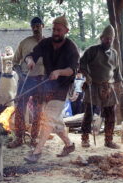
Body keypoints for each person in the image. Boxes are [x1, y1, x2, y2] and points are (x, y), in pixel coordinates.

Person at [23, 15, 79, 163]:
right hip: (48, 85)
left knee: (48, 117)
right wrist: (30, 61)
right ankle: (69, 145)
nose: (56, 32)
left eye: (59, 30)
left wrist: (59, 72)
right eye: (54, 29)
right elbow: (31, 55)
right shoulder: (46, 43)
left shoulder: (71, 47)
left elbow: (73, 70)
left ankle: (37, 152)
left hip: (63, 87)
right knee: (55, 119)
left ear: (66, 31)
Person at [80, 24, 123, 149]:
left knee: (111, 115)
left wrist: (119, 82)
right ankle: (85, 139)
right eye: (106, 38)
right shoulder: (92, 50)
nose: (108, 40)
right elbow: (81, 64)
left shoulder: (114, 53)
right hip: (93, 85)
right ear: (101, 37)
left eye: (111, 39)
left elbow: (116, 71)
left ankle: (108, 140)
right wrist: (86, 75)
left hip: (108, 87)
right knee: (88, 113)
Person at [7, 17, 45, 148]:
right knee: (20, 108)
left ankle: (34, 138)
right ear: (31, 27)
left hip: (41, 81)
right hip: (25, 80)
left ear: (42, 26)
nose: (36, 28)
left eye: (38, 25)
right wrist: (21, 74)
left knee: (38, 110)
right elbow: (15, 62)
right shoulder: (24, 43)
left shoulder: (48, 44)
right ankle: (19, 137)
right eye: (33, 26)